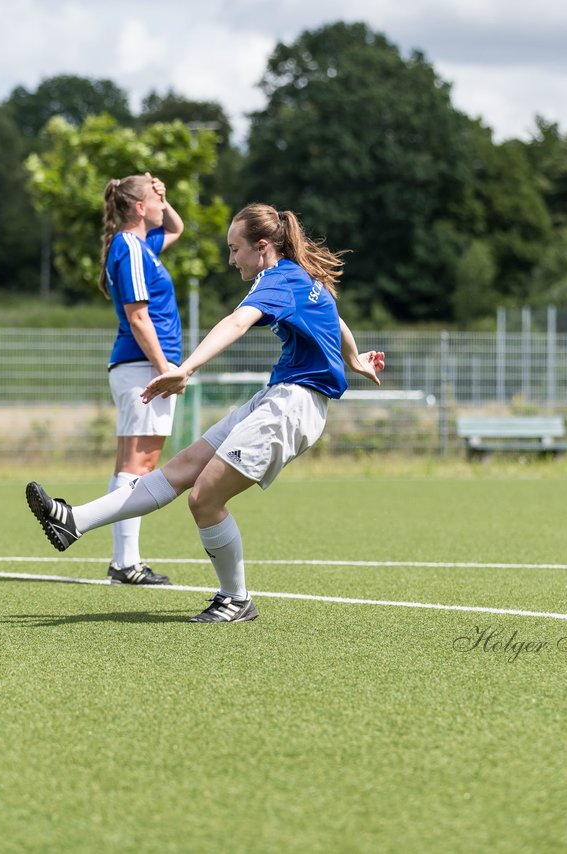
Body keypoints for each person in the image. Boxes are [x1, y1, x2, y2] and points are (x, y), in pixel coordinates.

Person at [26, 203, 386, 622]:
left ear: (262, 246)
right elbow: (333, 315)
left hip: (294, 405)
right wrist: (353, 357)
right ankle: (74, 520)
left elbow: (234, 324)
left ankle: (235, 599)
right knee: (180, 470)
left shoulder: (276, 280)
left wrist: (185, 368)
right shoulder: (297, 275)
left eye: (235, 250)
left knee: (205, 499)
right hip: (278, 397)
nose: (231, 259)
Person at [97, 172, 185, 586]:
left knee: (132, 462)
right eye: (154, 197)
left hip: (138, 367)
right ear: (137, 208)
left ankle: (123, 562)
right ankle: (126, 564)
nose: (160, 203)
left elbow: (176, 228)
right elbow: (137, 315)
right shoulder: (130, 247)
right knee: (140, 463)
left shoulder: (139, 245)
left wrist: (163, 198)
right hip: (143, 367)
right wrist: (165, 368)